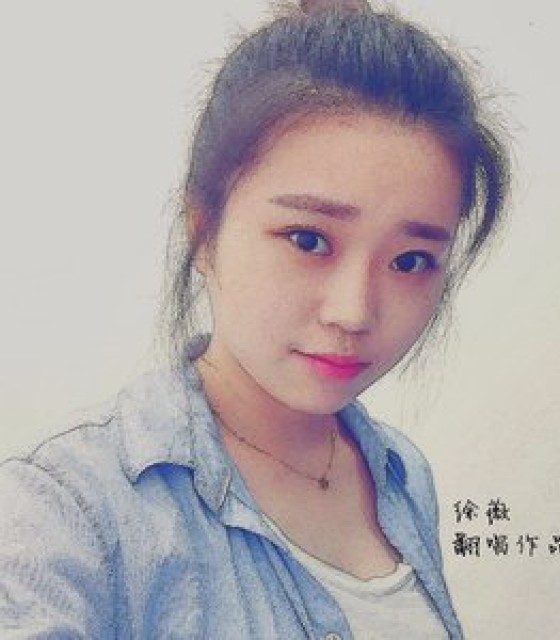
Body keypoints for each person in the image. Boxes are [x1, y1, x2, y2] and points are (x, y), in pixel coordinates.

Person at [0, 0, 509, 637]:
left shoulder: (400, 473)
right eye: (308, 240)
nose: (353, 312)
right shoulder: (65, 512)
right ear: (204, 230)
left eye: (410, 260)